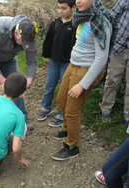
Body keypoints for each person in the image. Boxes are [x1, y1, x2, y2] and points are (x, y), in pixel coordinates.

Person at [51, 0, 114, 160]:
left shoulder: (102, 21)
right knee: (61, 100)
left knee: (72, 110)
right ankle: (67, 129)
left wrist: (82, 84)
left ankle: (71, 146)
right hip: (73, 65)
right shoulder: (82, 15)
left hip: (86, 70)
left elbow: (102, 58)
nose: (78, 1)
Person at [0, 15, 38, 130]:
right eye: (22, 42)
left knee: (16, 87)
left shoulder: (30, 34)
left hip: (8, 59)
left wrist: (29, 79)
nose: (24, 45)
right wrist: (3, 81)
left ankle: (21, 123)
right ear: (16, 32)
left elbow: (32, 62)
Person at [38, 0, 76, 128]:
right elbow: (48, 41)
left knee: (64, 90)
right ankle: (46, 108)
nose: (60, 11)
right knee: (49, 86)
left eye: (64, 8)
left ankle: (61, 114)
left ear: (73, 8)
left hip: (67, 63)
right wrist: (46, 57)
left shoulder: (76, 25)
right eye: (59, 8)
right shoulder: (55, 23)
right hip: (54, 61)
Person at [99, 0, 129, 132]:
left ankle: (127, 118)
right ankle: (105, 110)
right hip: (119, 47)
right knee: (112, 79)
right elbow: (112, 17)